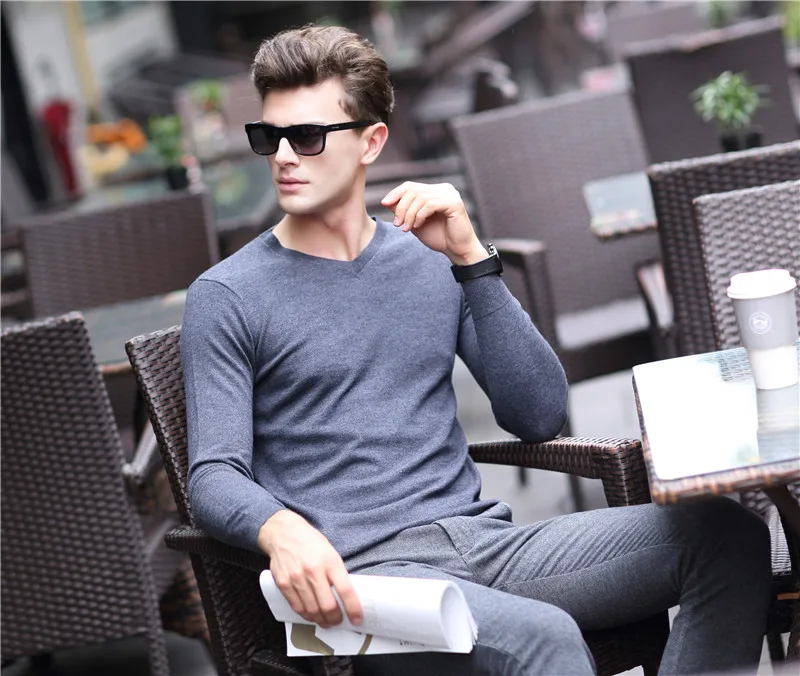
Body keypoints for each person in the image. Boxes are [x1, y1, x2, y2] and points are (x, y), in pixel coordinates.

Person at [181, 24, 771, 675]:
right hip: (370, 586)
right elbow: (213, 474)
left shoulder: (427, 259)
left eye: (308, 137)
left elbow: (539, 415)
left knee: (726, 536)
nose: (284, 157)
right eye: (269, 137)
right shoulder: (228, 295)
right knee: (545, 639)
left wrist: (471, 260)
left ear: (371, 140)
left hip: (486, 546)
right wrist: (281, 528)